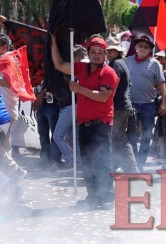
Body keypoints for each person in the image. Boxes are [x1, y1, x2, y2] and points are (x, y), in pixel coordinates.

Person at [51, 34, 119, 209]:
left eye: (100, 52)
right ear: (88, 52)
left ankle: (107, 199)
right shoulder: (81, 68)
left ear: (106, 54)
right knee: (88, 163)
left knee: (102, 163)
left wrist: (79, 88)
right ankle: (93, 197)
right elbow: (59, 65)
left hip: (101, 125)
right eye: (93, 52)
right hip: (84, 124)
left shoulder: (108, 72)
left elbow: (104, 96)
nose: (96, 55)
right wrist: (52, 41)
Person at [126, 34, 166, 169]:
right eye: (140, 46)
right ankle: (133, 161)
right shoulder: (128, 60)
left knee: (146, 135)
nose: (143, 48)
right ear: (135, 47)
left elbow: (161, 84)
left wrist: (164, 102)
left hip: (148, 104)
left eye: (146, 46)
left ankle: (140, 162)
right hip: (131, 103)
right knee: (131, 134)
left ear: (150, 49)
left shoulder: (155, 64)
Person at [106, 37, 139, 173]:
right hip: (123, 106)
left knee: (120, 138)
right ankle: (120, 166)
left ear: (115, 52)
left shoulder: (116, 64)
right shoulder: (121, 62)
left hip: (119, 107)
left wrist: (107, 102)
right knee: (117, 138)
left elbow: (114, 85)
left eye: (109, 51)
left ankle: (132, 169)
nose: (107, 54)